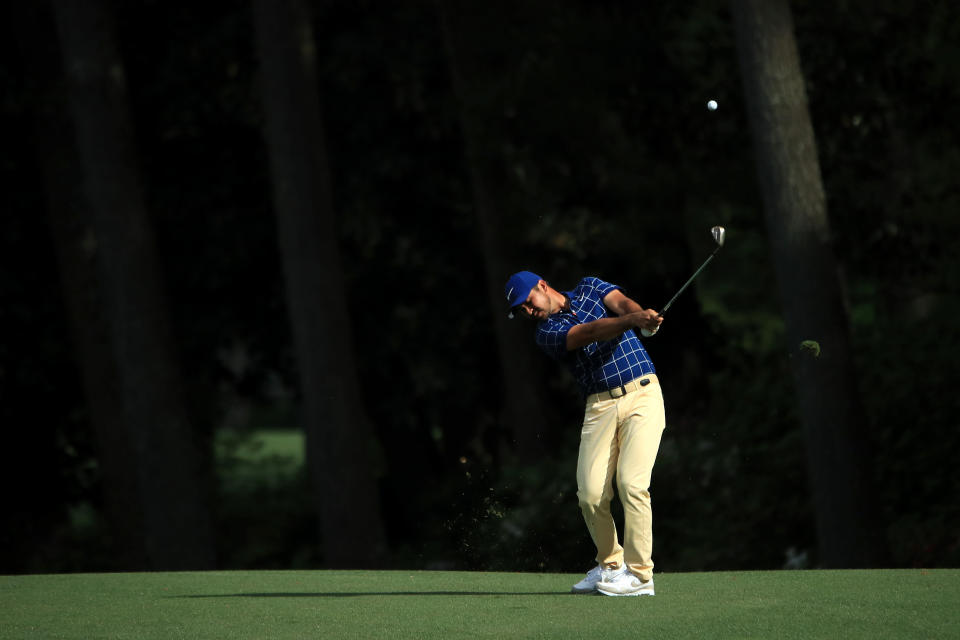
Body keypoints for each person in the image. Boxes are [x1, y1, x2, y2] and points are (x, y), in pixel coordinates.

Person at [505, 270, 666, 597]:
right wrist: (635, 319)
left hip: (643, 394)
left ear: (542, 285)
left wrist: (642, 317)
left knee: (631, 484)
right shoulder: (546, 332)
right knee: (590, 495)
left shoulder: (590, 287)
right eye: (521, 310)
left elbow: (621, 303)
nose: (528, 311)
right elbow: (590, 332)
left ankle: (640, 576)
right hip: (600, 407)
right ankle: (611, 565)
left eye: (528, 302)